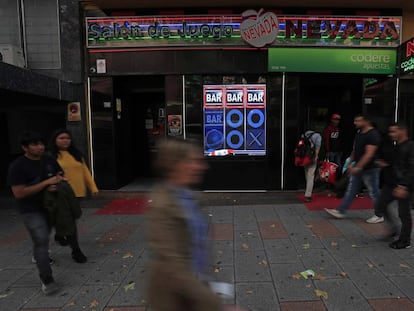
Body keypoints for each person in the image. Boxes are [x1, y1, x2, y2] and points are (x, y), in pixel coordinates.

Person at [145, 138, 245, 311]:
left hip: (194, 289)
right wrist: (217, 306)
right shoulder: (162, 206)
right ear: (175, 164)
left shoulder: (189, 196)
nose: (203, 166)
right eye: (194, 161)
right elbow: (175, 267)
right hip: (174, 297)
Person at [7, 131, 64, 295]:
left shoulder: (48, 160)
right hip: (30, 210)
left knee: (45, 235)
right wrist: (47, 182)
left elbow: (59, 174)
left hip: (50, 206)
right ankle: (47, 279)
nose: (40, 147)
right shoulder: (17, 166)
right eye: (34, 144)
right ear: (25, 147)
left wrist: (57, 183)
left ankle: (38, 254)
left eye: (41, 143)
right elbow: (19, 193)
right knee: (41, 240)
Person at [47, 128, 97, 263]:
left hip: (77, 192)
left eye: (67, 138)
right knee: (69, 220)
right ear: (55, 140)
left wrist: (92, 187)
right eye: (61, 138)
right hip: (60, 192)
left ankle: (60, 234)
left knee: (69, 218)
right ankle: (76, 251)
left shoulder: (76, 154)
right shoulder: (51, 156)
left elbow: (85, 171)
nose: (65, 141)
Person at [325, 114, 382, 221]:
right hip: (359, 167)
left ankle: (379, 214)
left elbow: (369, 154)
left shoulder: (373, 134)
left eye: (358, 121)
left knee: (374, 191)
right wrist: (350, 163)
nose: (355, 123)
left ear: (366, 121)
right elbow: (355, 150)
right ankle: (341, 211)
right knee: (351, 190)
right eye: (355, 120)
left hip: (370, 169)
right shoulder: (359, 133)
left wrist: (357, 166)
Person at [376, 123, 414, 249]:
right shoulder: (397, 146)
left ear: (402, 131)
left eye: (394, 131)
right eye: (390, 132)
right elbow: (396, 163)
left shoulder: (410, 146)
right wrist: (385, 164)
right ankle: (393, 228)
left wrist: (403, 185)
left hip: (403, 185)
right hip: (391, 183)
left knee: (404, 214)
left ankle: (405, 240)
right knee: (380, 205)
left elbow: (411, 168)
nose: (391, 134)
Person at [303, 129, 322, 202]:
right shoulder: (318, 136)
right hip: (311, 157)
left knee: (307, 174)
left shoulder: (306, 134)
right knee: (311, 175)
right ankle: (308, 195)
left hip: (304, 157)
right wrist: (316, 157)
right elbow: (317, 148)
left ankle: (308, 188)